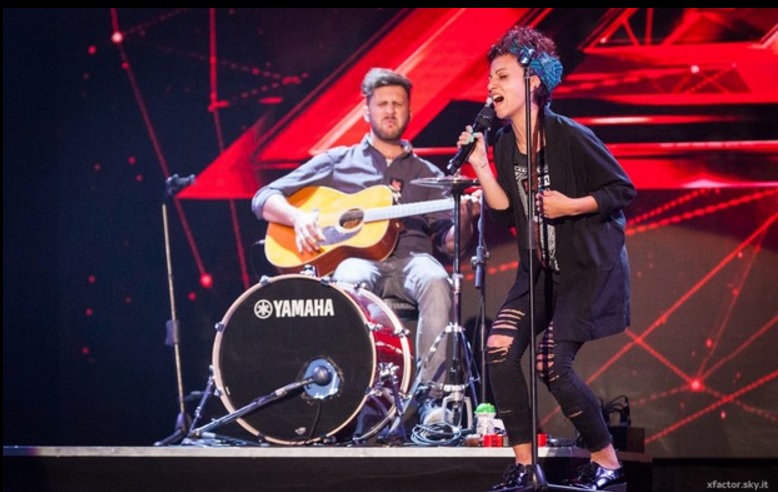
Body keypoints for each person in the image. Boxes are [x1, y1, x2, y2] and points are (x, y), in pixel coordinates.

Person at [252, 67, 480, 430]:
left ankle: (432, 401)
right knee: (348, 276)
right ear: (366, 111)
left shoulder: (430, 175)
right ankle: (359, 398)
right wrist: (298, 218)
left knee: (437, 278)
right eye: (382, 103)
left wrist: (465, 215)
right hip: (358, 261)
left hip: (412, 262)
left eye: (398, 104)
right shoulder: (337, 162)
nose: (390, 110)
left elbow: (453, 245)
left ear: (409, 112)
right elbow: (264, 197)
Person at [458, 26, 635, 490]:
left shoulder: (571, 136)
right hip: (538, 269)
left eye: (502, 76)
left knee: (551, 364)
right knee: (499, 351)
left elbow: (621, 189)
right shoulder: (502, 143)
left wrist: (571, 206)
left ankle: (609, 464)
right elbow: (505, 209)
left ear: (533, 81)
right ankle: (524, 467)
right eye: (490, 79)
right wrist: (480, 165)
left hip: (587, 271)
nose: (491, 86)